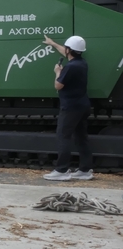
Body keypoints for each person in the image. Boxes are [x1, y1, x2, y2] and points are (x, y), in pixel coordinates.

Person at [43, 35, 93, 181]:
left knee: (63, 136)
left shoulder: (70, 67)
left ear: (69, 50)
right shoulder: (81, 62)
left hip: (71, 107)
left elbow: (58, 85)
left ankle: (62, 170)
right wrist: (52, 43)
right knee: (81, 137)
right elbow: (66, 51)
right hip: (83, 105)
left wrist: (58, 72)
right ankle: (85, 170)